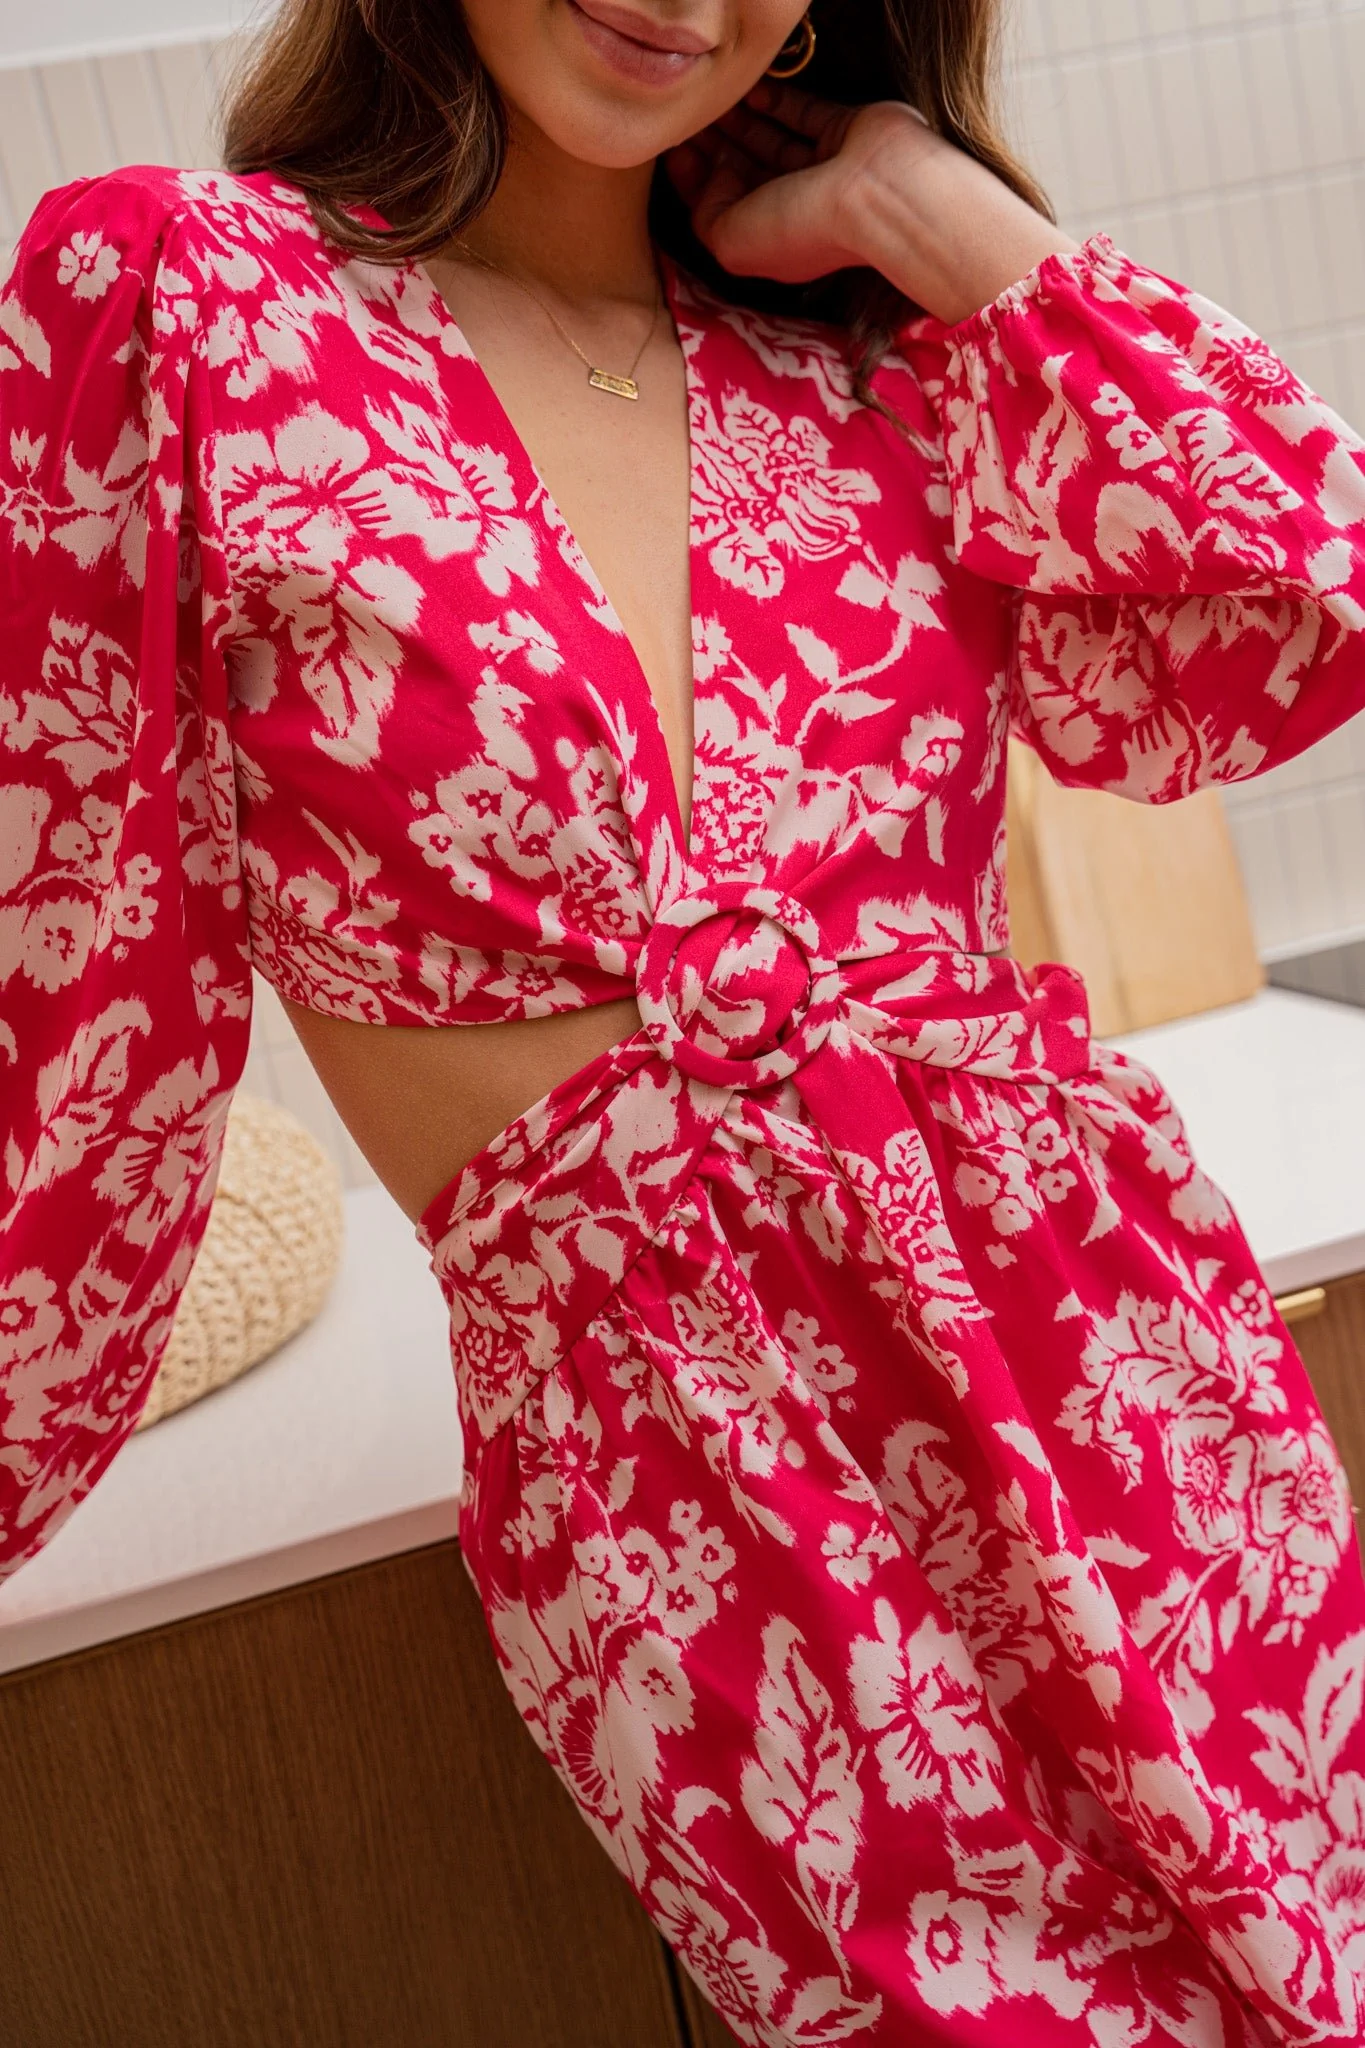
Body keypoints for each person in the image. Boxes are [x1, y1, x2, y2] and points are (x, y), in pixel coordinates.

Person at [4, 0, 1365, 2036]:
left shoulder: (867, 361)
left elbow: (1294, 592)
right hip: (699, 1494)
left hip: (1134, 1392)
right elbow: (71, 950)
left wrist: (929, 208)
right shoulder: (187, 294)